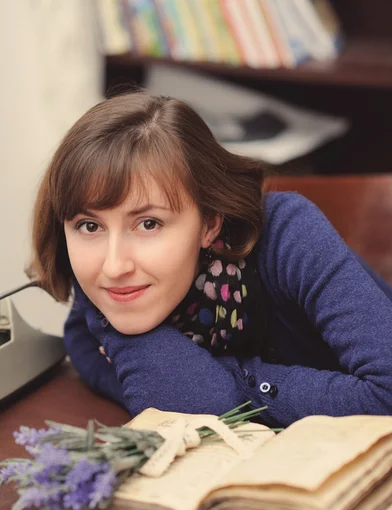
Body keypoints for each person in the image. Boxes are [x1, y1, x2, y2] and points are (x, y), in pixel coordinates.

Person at [29, 91, 392, 428]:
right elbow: (197, 398)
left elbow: (386, 394)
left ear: (209, 223)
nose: (113, 266)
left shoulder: (289, 233)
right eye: (89, 225)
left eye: (149, 223)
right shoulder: (99, 303)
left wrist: (231, 380)